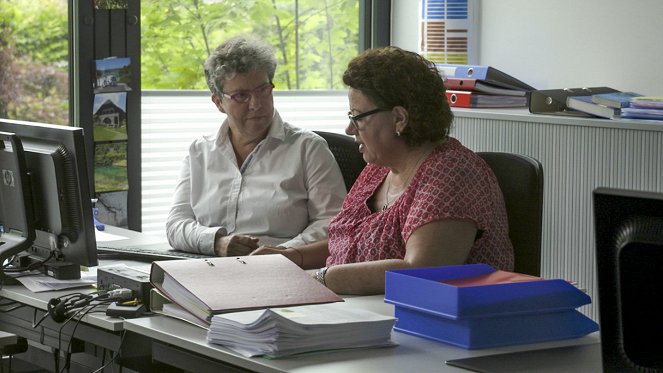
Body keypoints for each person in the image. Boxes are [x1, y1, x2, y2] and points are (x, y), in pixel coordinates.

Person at [252, 47, 514, 295]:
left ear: (399, 118)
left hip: (427, 326)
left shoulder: (453, 173)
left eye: (358, 117)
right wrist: (292, 257)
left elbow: (422, 270)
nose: (350, 129)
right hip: (357, 311)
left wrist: (317, 278)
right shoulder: (378, 168)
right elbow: (348, 243)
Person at [166, 36, 346, 257]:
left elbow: (333, 225)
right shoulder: (199, 152)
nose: (257, 104)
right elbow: (176, 225)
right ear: (218, 102)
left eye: (263, 90)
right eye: (242, 96)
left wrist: (281, 252)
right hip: (210, 270)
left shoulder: (308, 149)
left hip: (283, 271)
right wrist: (217, 242)